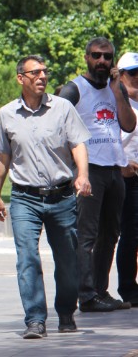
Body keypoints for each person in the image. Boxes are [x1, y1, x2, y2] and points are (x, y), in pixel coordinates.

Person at [0, 54, 92, 339]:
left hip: (62, 196)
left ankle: (66, 312)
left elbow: (78, 144)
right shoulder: (6, 114)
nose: (42, 77)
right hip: (25, 198)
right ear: (20, 78)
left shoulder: (62, 108)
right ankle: (35, 320)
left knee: (68, 260)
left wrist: (83, 175)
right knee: (27, 258)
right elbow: (2, 156)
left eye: (44, 72)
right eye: (35, 72)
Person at [58, 37, 136, 312]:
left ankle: (100, 292)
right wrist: (74, 168)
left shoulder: (116, 88)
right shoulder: (74, 89)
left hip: (115, 168)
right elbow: (56, 124)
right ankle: (86, 295)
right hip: (89, 171)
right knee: (87, 235)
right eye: (96, 55)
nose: (102, 61)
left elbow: (128, 125)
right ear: (86, 58)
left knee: (110, 235)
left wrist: (118, 92)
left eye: (107, 56)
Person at [115, 52, 138, 305]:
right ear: (120, 76)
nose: (137, 77)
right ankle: (128, 288)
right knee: (130, 234)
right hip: (127, 177)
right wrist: (122, 164)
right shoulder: (116, 104)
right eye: (133, 72)